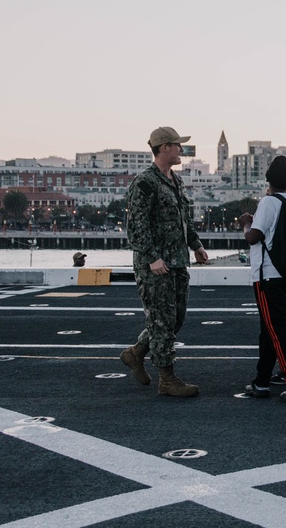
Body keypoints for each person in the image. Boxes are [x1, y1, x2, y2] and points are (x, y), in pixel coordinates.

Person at [119, 126, 208, 397]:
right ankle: (167, 379)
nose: (181, 149)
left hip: (177, 261)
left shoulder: (174, 180)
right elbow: (135, 227)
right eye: (178, 145)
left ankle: (136, 352)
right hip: (156, 266)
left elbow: (183, 219)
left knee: (175, 318)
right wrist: (152, 257)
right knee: (161, 320)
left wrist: (196, 245)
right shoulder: (145, 182)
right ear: (165, 147)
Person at [236, 156, 286, 405]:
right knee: (270, 330)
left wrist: (246, 223)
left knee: (277, 331)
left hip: (267, 276)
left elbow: (254, 237)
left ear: (268, 178)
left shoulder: (268, 202)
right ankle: (262, 381)